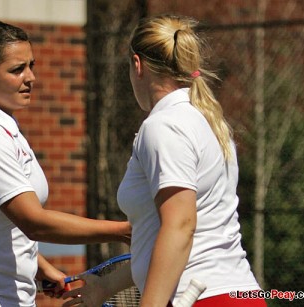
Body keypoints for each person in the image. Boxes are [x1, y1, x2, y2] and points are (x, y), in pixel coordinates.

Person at [63, 14, 266, 307]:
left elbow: (181, 225)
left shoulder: (164, 126)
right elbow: (160, 240)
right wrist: (105, 287)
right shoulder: (207, 121)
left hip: (201, 298)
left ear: (137, 65)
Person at [0, 20, 131, 307]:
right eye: (17, 69)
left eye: (31, 65)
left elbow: (2, 225)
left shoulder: (5, 130)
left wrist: (39, 267)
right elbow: (33, 222)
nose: (31, 77)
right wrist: (122, 231)